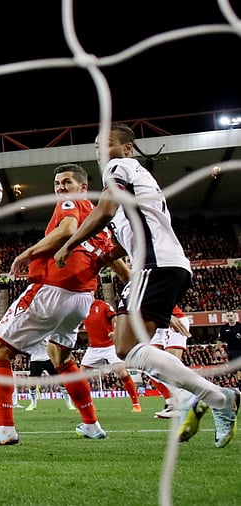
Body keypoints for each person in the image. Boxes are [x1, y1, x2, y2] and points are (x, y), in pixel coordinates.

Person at [53, 123, 239, 448]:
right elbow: (127, 234)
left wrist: (70, 245)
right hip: (168, 265)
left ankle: (216, 397)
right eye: (96, 147)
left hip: (155, 265)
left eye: (106, 144)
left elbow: (105, 209)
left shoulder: (119, 167)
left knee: (127, 348)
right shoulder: (136, 181)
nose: (100, 151)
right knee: (140, 350)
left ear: (126, 148)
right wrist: (102, 258)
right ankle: (191, 398)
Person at [0, 163, 117, 446]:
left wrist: (29, 252)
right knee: (60, 357)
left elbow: (67, 229)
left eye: (67, 182)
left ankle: (4, 429)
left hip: (53, 290)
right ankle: (91, 424)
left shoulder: (71, 206)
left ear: (83, 187)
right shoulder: (99, 221)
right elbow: (112, 259)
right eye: (58, 183)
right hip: (82, 298)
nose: (61, 188)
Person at [80, 298, 142, 412]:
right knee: (79, 376)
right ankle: (87, 405)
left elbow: (116, 319)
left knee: (122, 373)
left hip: (109, 346)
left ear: (93, 292)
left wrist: (115, 331)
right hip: (93, 348)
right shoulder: (81, 307)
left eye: (90, 291)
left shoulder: (104, 305)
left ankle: (136, 404)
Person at [148, 306, 191, 419]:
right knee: (149, 366)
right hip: (156, 325)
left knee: (171, 366)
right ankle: (172, 404)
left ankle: (187, 402)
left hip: (171, 320)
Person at [24, 339, 74, 412]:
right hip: (35, 360)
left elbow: (57, 344)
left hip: (49, 359)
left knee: (61, 382)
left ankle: (69, 404)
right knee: (32, 384)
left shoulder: (49, 332)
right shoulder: (32, 334)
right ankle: (33, 404)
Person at [217, 310, 241, 388]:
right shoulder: (224, 328)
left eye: (231, 316)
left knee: (239, 372)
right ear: (226, 317)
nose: (230, 318)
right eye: (228, 316)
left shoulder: (240, 326)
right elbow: (220, 340)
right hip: (230, 351)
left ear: (234, 316)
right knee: (234, 373)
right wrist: (217, 350)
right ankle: (239, 387)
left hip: (239, 351)